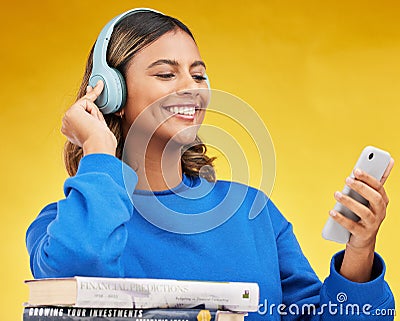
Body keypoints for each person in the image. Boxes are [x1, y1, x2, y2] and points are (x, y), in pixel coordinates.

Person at [26, 8, 395, 320]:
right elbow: (81, 274)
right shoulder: (59, 226)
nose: (192, 86)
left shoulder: (253, 212)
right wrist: (97, 148)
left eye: (198, 74)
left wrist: (360, 250)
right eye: (166, 74)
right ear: (112, 94)